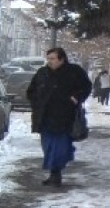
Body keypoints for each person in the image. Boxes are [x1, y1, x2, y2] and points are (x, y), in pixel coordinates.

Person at [26, 47, 93, 188]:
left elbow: (86, 86)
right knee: (48, 147)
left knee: (61, 148)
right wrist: (37, 102)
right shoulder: (42, 73)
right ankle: (54, 173)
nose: (49, 61)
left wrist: (76, 97)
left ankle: (56, 173)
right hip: (45, 117)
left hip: (65, 117)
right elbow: (31, 91)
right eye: (48, 58)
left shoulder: (74, 71)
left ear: (61, 59)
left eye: (53, 58)